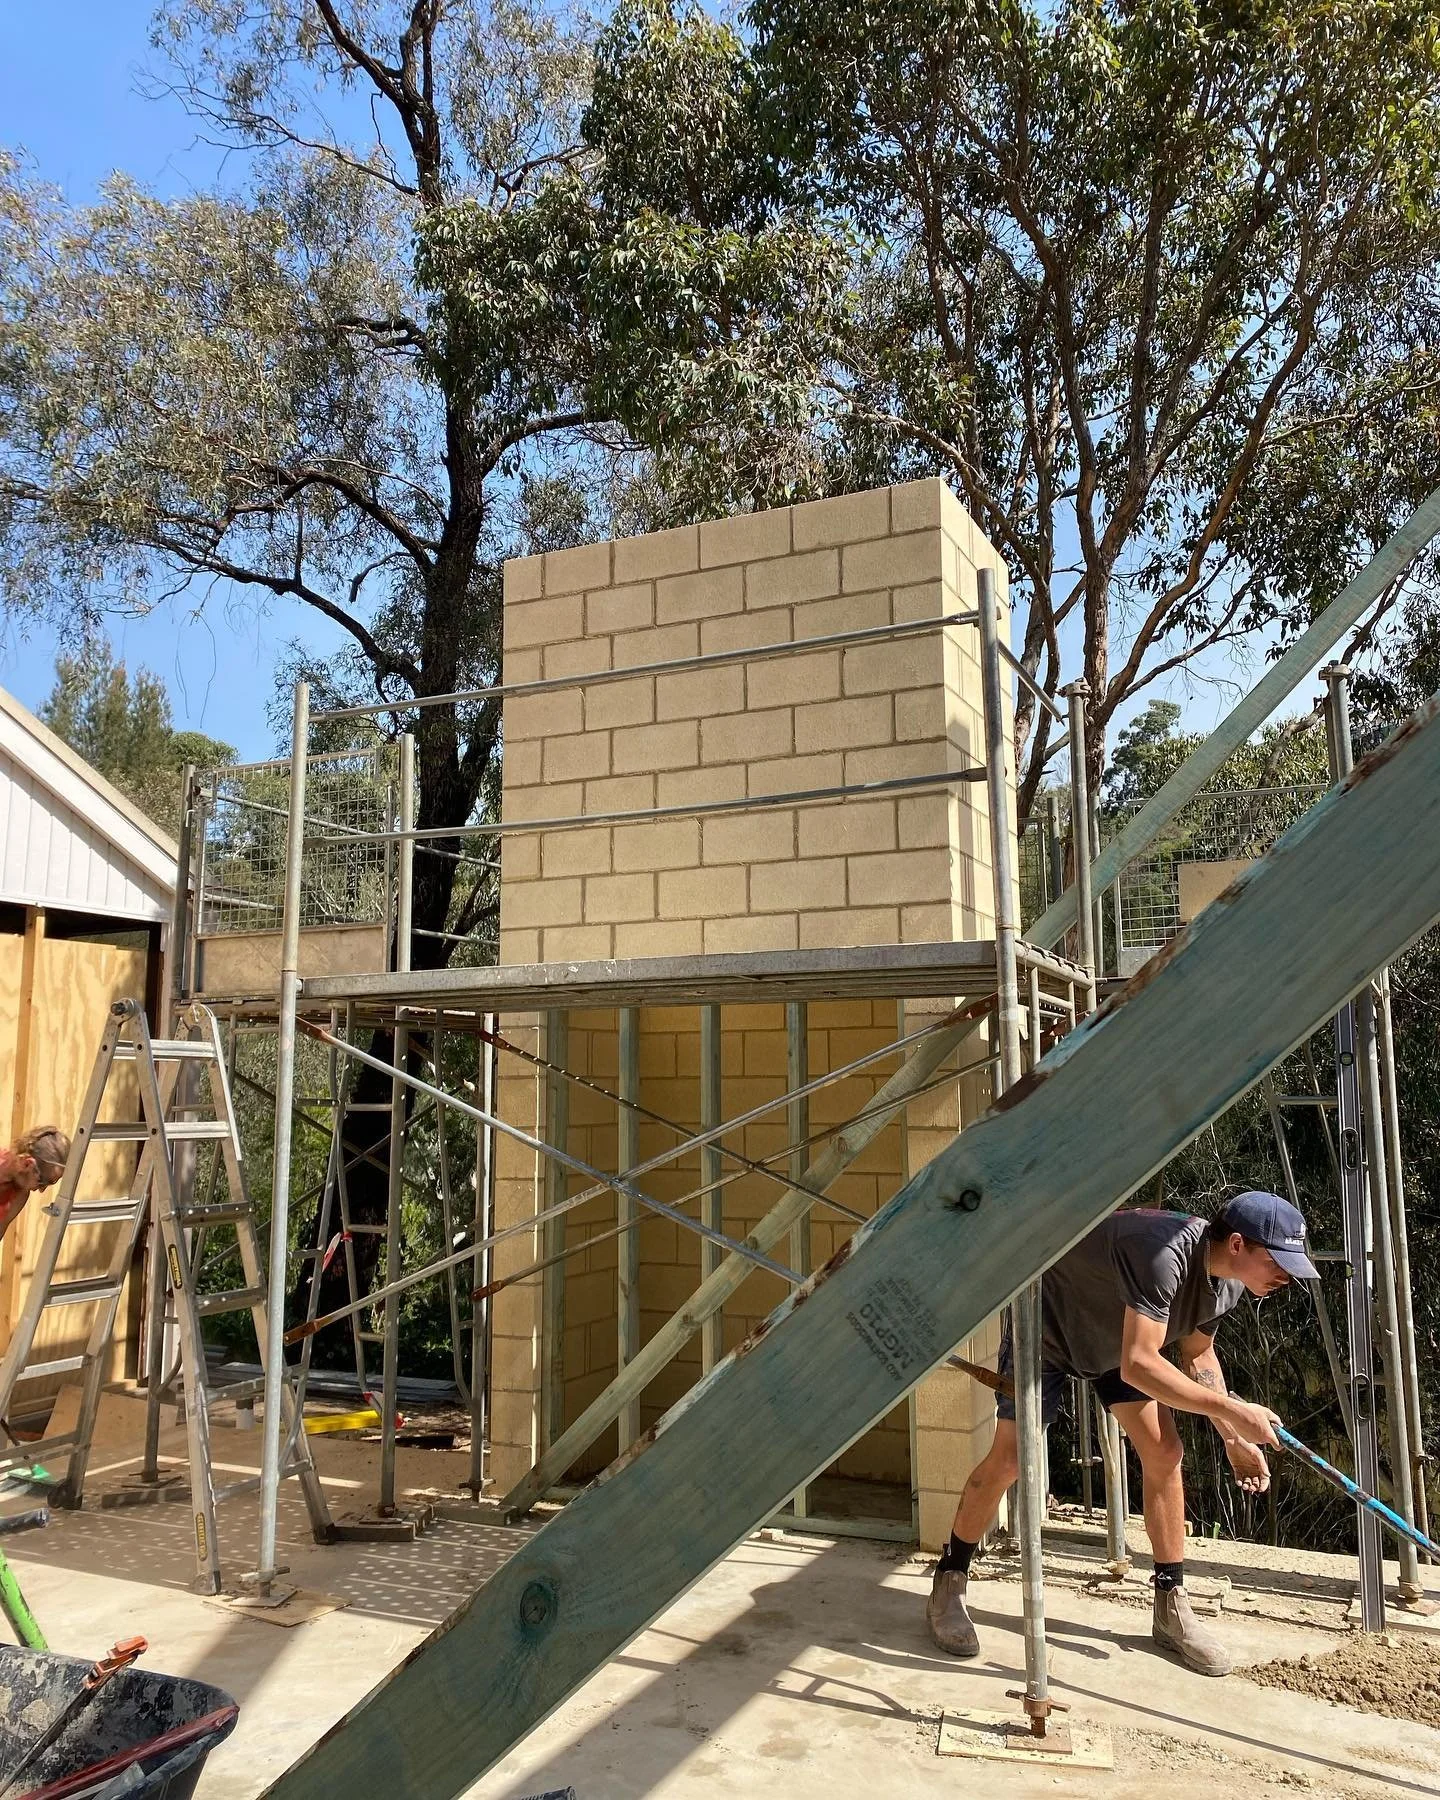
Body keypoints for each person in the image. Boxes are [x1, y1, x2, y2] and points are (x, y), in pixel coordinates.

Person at [927, 1190, 1318, 1677]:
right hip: (1047, 1324)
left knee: (1165, 1452)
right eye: (1277, 1262)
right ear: (1237, 1244)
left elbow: (1198, 1357)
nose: (1285, 1276)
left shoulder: (1231, 1282)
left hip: (1119, 1342)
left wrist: (1233, 1438)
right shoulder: (1163, 1253)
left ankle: (1171, 1605)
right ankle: (950, 1577)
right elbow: (1140, 1365)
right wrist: (1235, 1412)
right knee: (1009, 1460)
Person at [0, 1127, 72, 1243]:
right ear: (28, 1164)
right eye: (42, 1181)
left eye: (51, 1183)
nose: (42, 1190)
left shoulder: (20, 1195)